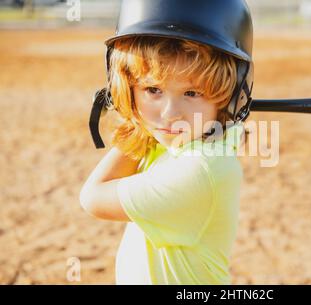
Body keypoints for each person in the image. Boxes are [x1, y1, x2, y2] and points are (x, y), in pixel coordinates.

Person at [79, 0, 254, 284]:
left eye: (192, 92)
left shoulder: (198, 169)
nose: (170, 114)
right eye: (153, 89)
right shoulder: (188, 141)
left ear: (232, 97)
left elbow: (92, 198)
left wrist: (136, 126)